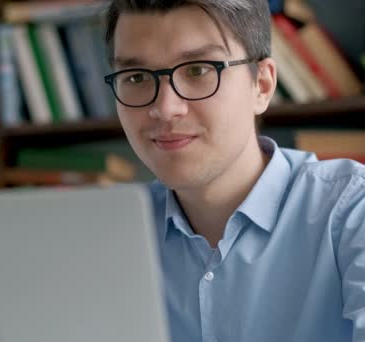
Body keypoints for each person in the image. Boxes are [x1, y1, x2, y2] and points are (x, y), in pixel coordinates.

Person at [102, 0, 365, 341]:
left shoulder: (351, 210)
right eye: (136, 77)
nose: (165, 109)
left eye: (197, 70)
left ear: (263, 85)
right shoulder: (108, 236)